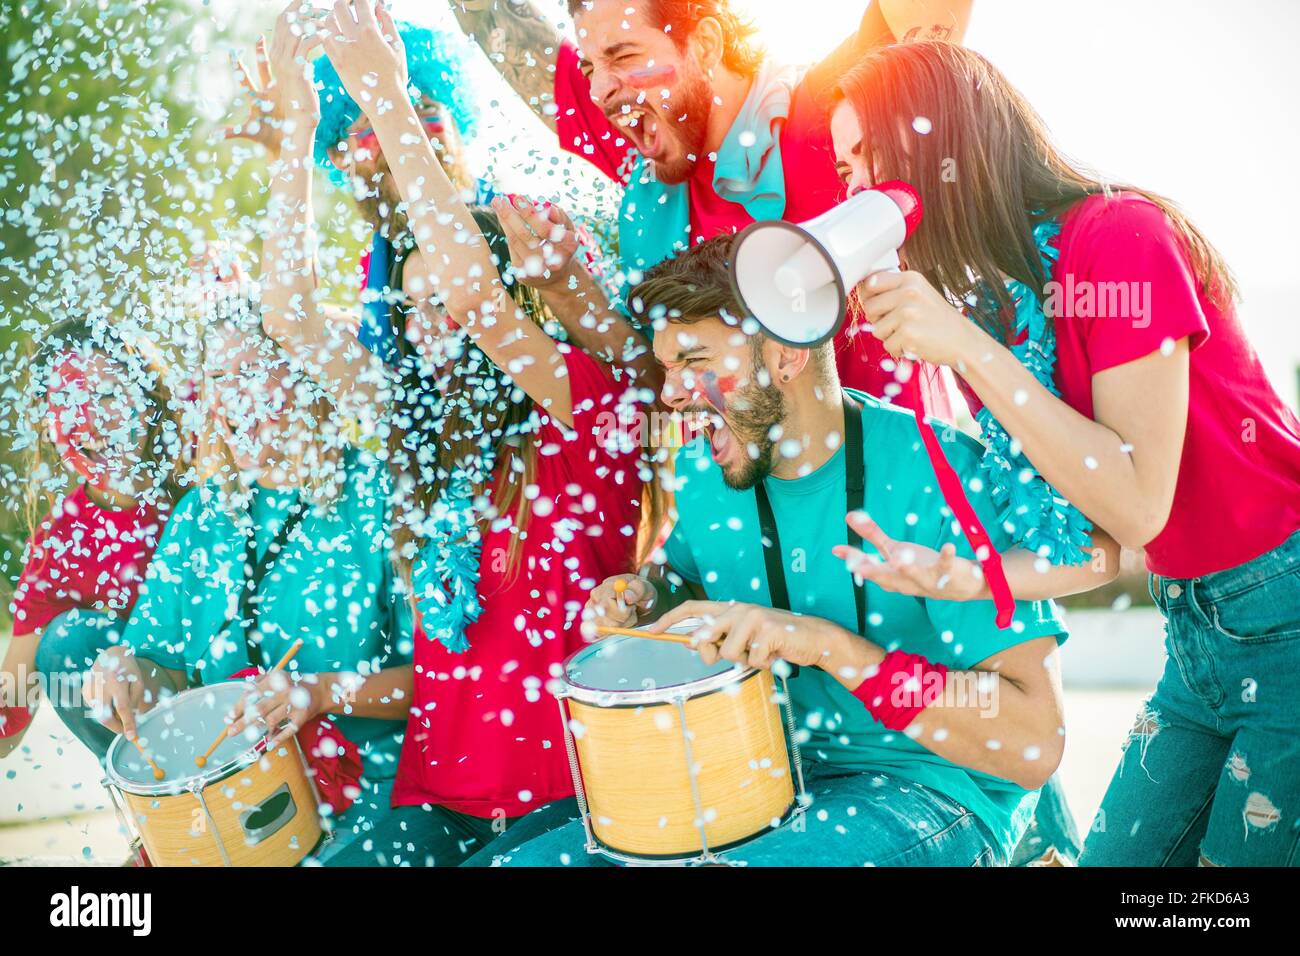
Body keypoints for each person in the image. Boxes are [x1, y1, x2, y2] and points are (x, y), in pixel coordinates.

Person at [829, 42, 1300, 866]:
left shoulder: (1119, 237)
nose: (855, 190)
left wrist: (969, 352)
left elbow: (1138, 500)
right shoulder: (997, 318)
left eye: (866, 154)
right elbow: (1098, 545)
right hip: (1195, 628)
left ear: (939, 140)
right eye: (842, 172)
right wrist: (971, 578)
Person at [487, 234, 1069, 867]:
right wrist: (646, 598)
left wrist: (827, 646)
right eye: (668, 366)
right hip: (753, 775)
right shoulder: (706, 473)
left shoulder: (945, 475)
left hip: (926, 789)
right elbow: (683, 582)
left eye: (694, 360)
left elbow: (1033, 740)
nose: (672, 393)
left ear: (787, 355)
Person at [253, 2, 649, 864]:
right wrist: (297, 138)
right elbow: (291, 319)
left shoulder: (579, 406)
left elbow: (481, 305)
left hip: (574, 803)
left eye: (451, 300)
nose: (435, 325)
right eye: (414, 309)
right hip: (436, 804)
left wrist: (392, 96)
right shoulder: (420, 439)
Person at [448, 0, 971, 415]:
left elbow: (930, 21)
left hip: (895, 494)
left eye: (624, 56)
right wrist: (563, 288)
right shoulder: (649, 160)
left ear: (705, 44)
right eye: (590, 66)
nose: (600, 89)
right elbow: (491, 19)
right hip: (759, 517)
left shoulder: (826, 109)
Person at [83, 305, 414, 864]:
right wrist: (127, 671)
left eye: (252, 373)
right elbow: (165, 673)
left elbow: (439, 684)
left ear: (309, 379)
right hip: (230, 803)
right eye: (218, 377)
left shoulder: (382, 494)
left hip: (369, 802)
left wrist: (320, 692)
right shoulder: (198, 517)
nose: (231, 398)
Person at [1, 318, 193, 760]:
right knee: (65, 641)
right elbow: (10, 706)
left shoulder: (204, 476)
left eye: (107, 395)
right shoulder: (61, 541)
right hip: (157, 741)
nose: (89, 422)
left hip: (241, 698)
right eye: (67, 402)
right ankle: (155, 797)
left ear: (146, 400)